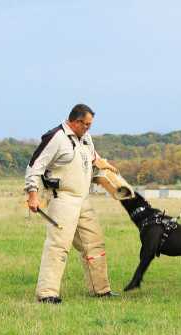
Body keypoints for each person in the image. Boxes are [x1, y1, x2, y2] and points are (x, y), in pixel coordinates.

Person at [25, 104, 119, 303]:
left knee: (94, 243)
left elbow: (93, 158)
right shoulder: (55, 137)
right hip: (63, 199)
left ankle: (100, 290)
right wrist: (33, 195)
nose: (88, 128)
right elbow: (34, 168)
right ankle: (47, 294)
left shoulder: (85, 137)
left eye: (90, 125)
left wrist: (104, 164)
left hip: (83, 199)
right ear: (75, 121)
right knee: (58, 246)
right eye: (85, 124)